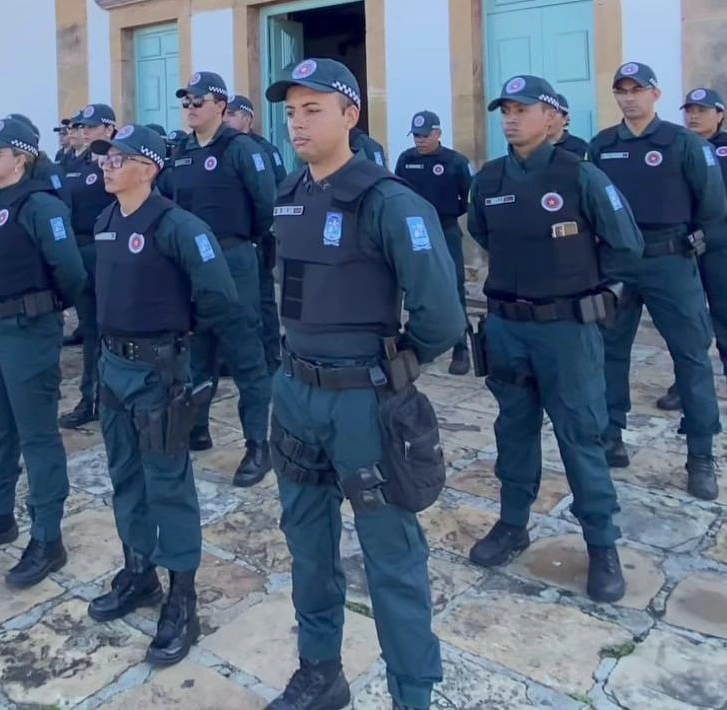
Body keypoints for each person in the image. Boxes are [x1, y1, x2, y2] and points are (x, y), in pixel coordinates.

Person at [264, 58, 465, 710]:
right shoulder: (291, 191)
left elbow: (440, 315)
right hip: (296, 396)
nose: (297, 120)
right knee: (307, 546)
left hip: (363, 406)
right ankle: (321, 670)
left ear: (350, 115)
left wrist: (390, 367)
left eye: (312, 108)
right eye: (291, 109)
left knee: (391, 559)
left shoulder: (389, 200)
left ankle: (414, 694)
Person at [466, 74, 644, 604]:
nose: (511, 118)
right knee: (513, 431)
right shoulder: (490, 179)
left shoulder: (579, 175)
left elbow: (626, 245)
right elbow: (480, 231)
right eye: (505, 110)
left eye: (523, 109)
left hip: (567, 332)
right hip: (507, 328)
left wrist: (594, 294)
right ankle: (513, 523)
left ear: (551, 116)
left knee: (580, 436)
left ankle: (602, 544)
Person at [85, 123, 245, 666]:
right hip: (112, 369)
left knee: (168, 485)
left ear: (148, 168)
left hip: (158, 373)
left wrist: (180, 344)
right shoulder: (106, 220)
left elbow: (221, 298)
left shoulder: (178, 226)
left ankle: (182, 597)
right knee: (124, 476)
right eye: (105, 158)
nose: (106, 165)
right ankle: (139, 572)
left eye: (119, 158)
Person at [0, 118, 86, 588]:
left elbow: (70, 270)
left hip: (26, 329)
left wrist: (45, 310)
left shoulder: (41, 205)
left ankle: (47, 536)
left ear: (20, 158)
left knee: (37, 435)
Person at [588, 62, 725, 501]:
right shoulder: (602, 145)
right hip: (618, 263)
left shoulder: (683, 143)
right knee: (609, 351)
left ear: (655, 95)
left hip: (670, 260)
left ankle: (700, 454)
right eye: (621, 90)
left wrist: (692, 247)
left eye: (638, 89)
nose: (630, 97)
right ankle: (611, 435)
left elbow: (712, 205)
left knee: (691, 356)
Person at [167, 70, 274, 487]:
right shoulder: (181, 152)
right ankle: (198, 426)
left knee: (246, 354)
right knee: (197, 352)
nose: (190, 109)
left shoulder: (241, 149)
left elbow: (265, 206)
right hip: (192, 264)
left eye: (198, 101)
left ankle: (257, 445)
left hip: (233, 260)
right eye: (186, 102)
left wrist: (244, 245)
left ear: (221, 106)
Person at [657, 87, 727, 410]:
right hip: (685, 245)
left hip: (720, 246)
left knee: (724, 315)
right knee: (684, 319)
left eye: (702, 110)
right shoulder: (679, 147)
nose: (694, 116)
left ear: (720, 114)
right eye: (690, 110)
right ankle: (685, 384)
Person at [395, 111, 475, 374]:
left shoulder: (456, 163)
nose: (419, 140)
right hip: (417, 232)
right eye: (416, 135)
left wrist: (445, 214)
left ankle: (460, 347)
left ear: (438, 133)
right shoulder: (406, 161)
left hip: (446, 229)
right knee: (417, 286)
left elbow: (468, 199)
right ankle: (420, 344)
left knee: (454, 285)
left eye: (425, 135)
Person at [58, 103, 118, 429]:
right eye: (81, 127)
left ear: (109, 129)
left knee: (108, 329)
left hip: (106, 250)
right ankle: (91, 395)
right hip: (79, 249)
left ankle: (101, 395)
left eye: (91, 127)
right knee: (92, 329)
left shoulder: (115, 162)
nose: (83, 132)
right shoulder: (73, 162)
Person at [225, 94, 286, 373]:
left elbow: (275, 192)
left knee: (262, 298)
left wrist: (259, 230)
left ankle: (271, 352)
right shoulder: (222, 148)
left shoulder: (264, 149)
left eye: (231, 115)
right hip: (235, 239)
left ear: (247, 119)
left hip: (259, 235)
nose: (225, 119)